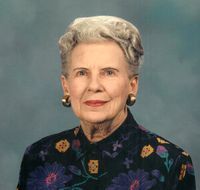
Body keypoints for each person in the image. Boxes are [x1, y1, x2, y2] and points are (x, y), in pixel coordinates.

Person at [17, 16, 196, 190]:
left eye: (109, 72)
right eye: (81, 73)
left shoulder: (171, 163)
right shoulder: (38, 156)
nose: (94, 86)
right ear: (66, 86)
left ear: (132, 85)